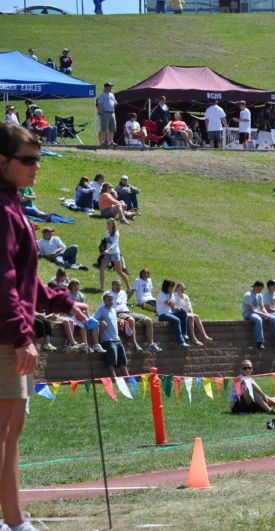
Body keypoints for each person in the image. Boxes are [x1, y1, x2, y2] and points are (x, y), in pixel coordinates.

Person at [0, 122, 89, 531]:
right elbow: (2, 281)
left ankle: (15, 521)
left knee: (11, 431)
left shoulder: (14, 204)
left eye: (38, 159)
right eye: (27, 160)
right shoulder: (2, 211)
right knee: (3, 432)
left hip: (9, 333)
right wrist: (22, 338)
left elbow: (25, 280)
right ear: (2, 161)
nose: (36, 167)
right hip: (3, 336)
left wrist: (62, 301)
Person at [110, 280, 161, 352]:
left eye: (120, 286)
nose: (119, 287)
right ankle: (134, 343)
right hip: (118, 313)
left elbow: (124, 303)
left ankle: (151, 344)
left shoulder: (123, 293)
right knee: (131, 320)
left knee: (148, 320)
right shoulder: (109, 294)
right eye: (117, 286)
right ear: (112, 286)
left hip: (127, 312)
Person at [242, 280, 275, 349]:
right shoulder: (248, 295)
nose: (261, 291)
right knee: (258, 319)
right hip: (248, 313)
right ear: (256, 287)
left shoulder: (259, 294)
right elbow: (251, 310)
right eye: (260, 289)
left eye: (261, 289)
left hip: (258, 312)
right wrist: (262, 314)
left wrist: (267, 314)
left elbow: (262, 307)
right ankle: (259, 342)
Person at [94, 292, 130, 378]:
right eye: (108, 300)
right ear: (104, 301)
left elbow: (112, 319)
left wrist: (120, 320)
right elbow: (93, 320)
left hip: (117, 339)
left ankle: (128, 379)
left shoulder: (113, 310)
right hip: (107, 340)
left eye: (112, 300)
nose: (111, 302)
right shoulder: (101, 310)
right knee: (111, 361)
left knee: (122, 361)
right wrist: (101, 321)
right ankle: (115, 380)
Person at [99, 219, 131, 292]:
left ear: (113, 224)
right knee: (101, 269)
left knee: (119, 272)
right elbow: (105, 243)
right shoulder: (106, 233)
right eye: (107, 222)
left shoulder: (116, 233)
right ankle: (101, 288)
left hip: (115, 254)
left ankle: (129, 287)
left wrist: (108, 250)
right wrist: (102, 250)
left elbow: (115, 244)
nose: (107, 223)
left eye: (109, 222)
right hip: (108, 255)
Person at [156, 279, 189, 348]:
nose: (172, 288)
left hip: (170, 313)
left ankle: (184, 334)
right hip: (162, 315)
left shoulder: (171, 295)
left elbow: (173, 306)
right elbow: (169, 304)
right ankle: (181, 342)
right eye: (171, 286)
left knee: (183, 312)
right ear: (166, 286)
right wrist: (171, 295)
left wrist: (177, 308)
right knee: (177, 320)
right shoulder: (162, 294)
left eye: (172, 287)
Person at [96, 82, 117, 146]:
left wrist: (114, 104)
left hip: (112, 112)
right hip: (105, 112)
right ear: (106, 87)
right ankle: (103, 142)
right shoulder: (102, 95)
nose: (111, 88)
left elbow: (115, 102)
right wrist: (101, 113)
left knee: (112, 128)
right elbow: (99, 104)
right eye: (110, 86)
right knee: (104, 128)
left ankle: (110, 141)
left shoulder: (112, 94)